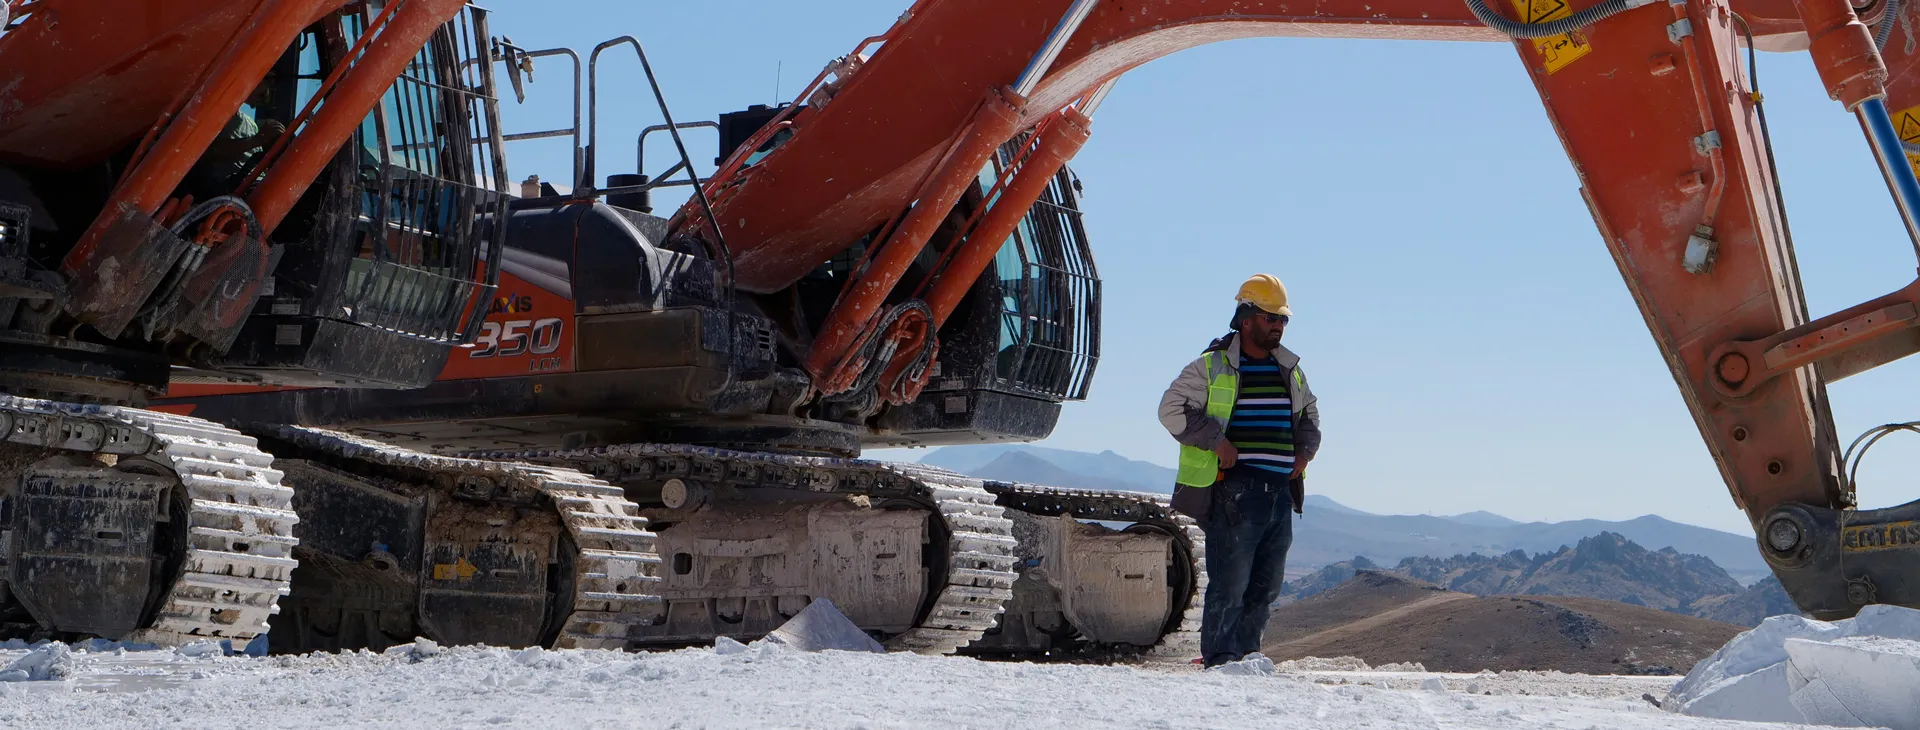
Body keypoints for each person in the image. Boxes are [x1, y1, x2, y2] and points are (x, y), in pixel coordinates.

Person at [1157, 272, 1321, 668]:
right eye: (1270, 317)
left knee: (1266, 586)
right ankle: (1220, 658)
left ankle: (1248, 657)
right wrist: (1217, 441)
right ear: (1246, 318)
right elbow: (1170, 410)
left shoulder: (1291, 370)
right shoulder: (1211, 367)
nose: (1278, 325)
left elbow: (1310, 415)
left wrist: (1304, 453)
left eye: (1282, 319)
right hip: (1235, 491)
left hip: (1280, 493)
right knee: (1230, 586)